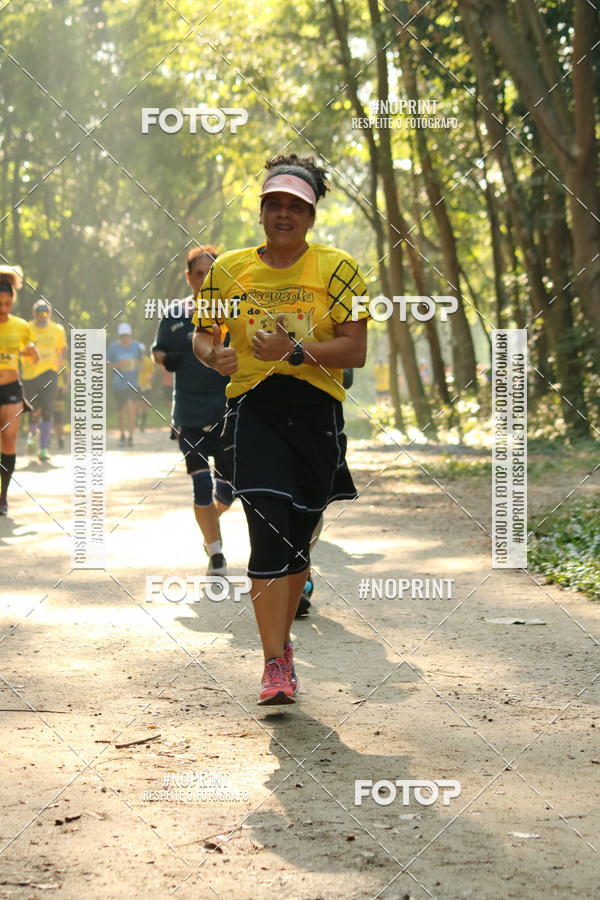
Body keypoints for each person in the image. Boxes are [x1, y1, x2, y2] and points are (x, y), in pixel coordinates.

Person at [193, 154, 369, 705]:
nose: (285, 214)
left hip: (317, 413)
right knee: (267, 528)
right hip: (254, 409)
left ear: (312, 216)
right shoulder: (229, 269)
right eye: (276, 204)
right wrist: (213, 355)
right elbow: (204, 336)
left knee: (298, 535)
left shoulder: (342, 269)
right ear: (262, 210)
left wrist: (296, 351)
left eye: (298, 206)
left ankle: (282, 645)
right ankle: (275, 662)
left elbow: (355, 351)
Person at [153, 246, 233, 575]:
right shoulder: (173, 316)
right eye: (198, 273)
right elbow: (157, 352)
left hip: (228, 415)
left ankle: (208, 525)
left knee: (227, 493)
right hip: (189, 415)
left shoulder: (233, 312)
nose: (204, 279)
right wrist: (165, 360)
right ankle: (215, 552)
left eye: (211, 273)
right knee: (201, 486)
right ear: (189, 278)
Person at [0, 266, 39, 515]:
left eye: (7, 303)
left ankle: (3, 497)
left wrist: (32, 352)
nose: (3, 309)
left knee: (9, 440)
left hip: (12, 389)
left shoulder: (21, 326)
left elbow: (31, 354)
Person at [21, 299, 67, 461]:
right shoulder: (26, 328)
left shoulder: (58, 329)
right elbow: (19, 349)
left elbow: (62, 348)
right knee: (34, 411)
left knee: (47, 409)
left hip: (49, 373)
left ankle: (43, 449)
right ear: (34, 314)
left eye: (45, 313)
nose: (42, 316)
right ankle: (31, 438)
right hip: (30, 375)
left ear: (49, 313)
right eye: (38, 313)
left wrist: (61, 357)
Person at [107, 322, 142, 447]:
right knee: (121, 411)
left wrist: (137, 365)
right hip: (118, 383)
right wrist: (118, 365)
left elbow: (141, 364)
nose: (124, 338)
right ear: (119, 336)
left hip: (133, 383)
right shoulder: (113, 347)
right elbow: (106, 364)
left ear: (130, 335)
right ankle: (122, 435)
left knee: (131, 408)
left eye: (126, 335)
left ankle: (131, 436)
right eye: (122, 335)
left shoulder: (136, 346)